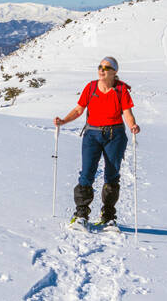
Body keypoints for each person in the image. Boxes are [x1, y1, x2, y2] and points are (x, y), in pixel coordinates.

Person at [54, 56, 139, 229]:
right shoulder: (91, 87)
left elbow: (127, 113)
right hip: (92, 134)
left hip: (115, 135)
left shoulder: (121, 89)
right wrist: (64, 121)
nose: (102, 70)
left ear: (114, 72)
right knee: (86, 173)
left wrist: (133, 126)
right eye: (100, 66)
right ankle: (81, 214)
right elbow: (79, 109)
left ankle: (108, 216)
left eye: (106, 68)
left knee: (112, 175)